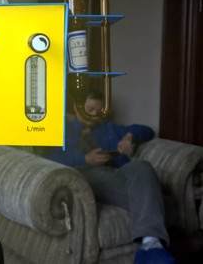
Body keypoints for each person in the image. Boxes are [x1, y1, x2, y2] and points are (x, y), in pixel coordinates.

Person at [46, 90, 175, 264]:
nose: (94, 115)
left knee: (142, 166)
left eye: (98, 111)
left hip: (115, 176)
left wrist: (129, 137)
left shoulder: (107, 128)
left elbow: (147, 130)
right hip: (85, 178)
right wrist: (84, 159)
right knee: (152, 195)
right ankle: (150, 248)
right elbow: (50, 160)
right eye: (89, 110)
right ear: (77, 108)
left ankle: (149, 245)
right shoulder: (63, 130)